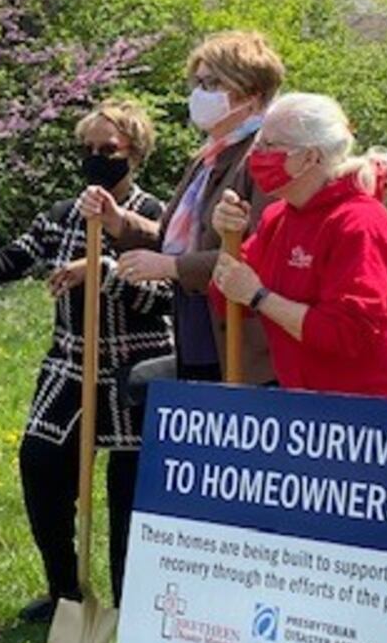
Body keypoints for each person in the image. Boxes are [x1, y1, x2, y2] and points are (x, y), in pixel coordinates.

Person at [0, 102, 172, 620]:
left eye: (109, 150)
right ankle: (65, 592)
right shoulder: (61, 216)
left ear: (135, 155)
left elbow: (163, 297)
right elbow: (11, 260)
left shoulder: (157, 218)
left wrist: (104, 270)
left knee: (129, 495)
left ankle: (131, 610)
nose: (97, 160)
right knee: (40, 463)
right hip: (70, 366)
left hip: (135, 371)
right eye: (89, 150)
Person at [81, 30, 284, 385]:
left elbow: (258, 254)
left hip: (243, 339)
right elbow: (176, 237)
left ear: (250, 93)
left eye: (212, 84)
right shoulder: (208, 156)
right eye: (198, 83)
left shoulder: (265, 158)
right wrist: (119, 222)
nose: (199, 94)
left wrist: (172, 267)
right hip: (195, 324)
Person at [209, 93, 387, 398]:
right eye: (259, 144)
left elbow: (346, 335)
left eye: (271, 146)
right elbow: (226, 297)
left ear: (310, 157)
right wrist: (227, 238)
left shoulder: (362, 225)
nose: (257, 155)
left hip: (370, 408)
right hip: (305, 402)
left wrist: (259, 297)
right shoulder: (278, 218)